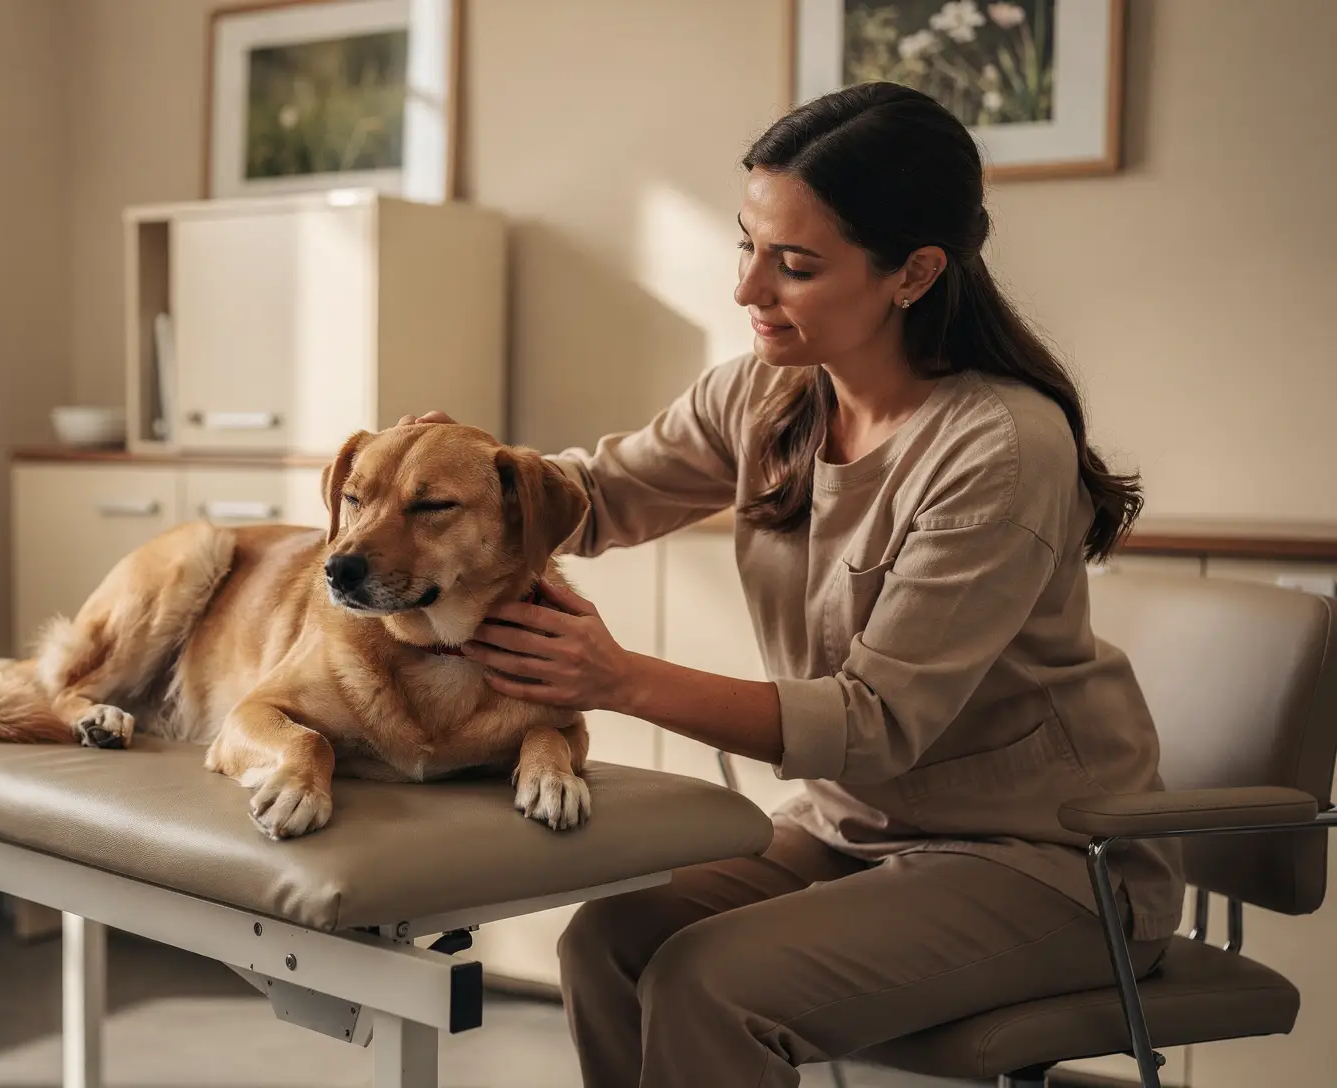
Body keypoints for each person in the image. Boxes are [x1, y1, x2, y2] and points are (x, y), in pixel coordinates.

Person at [397, 82, 1184, 1087]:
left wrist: (618, 677)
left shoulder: (1000, 446)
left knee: (705, 981)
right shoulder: (763, 393)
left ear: (915, 273)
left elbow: (875, 723)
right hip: (850, 831)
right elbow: (590, 497)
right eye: (747, 245)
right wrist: (456, 475)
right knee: (606, 940)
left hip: (1048, 863)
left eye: (796, 265)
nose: (747, 290)